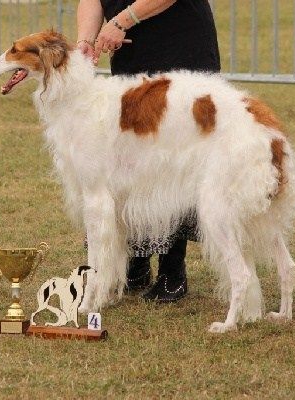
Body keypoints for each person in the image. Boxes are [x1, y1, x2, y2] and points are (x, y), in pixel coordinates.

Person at [76, 0, 220, 302]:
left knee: (175, 164)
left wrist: (120, 22)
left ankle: (172, 270)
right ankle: (135, 263)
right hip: (130, 53)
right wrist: (85, 41)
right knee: (131, 163)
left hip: (180, 48)